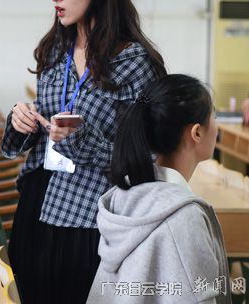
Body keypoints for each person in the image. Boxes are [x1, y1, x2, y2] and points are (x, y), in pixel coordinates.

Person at [1, 0, 167, 303]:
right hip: (38, 203)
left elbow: (149, 157)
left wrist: (80, 140)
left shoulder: (134, 63)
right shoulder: (54, 52)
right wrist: (22, 122)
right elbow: (38, 133)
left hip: (91, 215)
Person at [87, 74, 231, 303]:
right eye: (213, 115)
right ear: (196, 132)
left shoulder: (126, 195)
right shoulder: (185, 217)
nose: (217, 124)